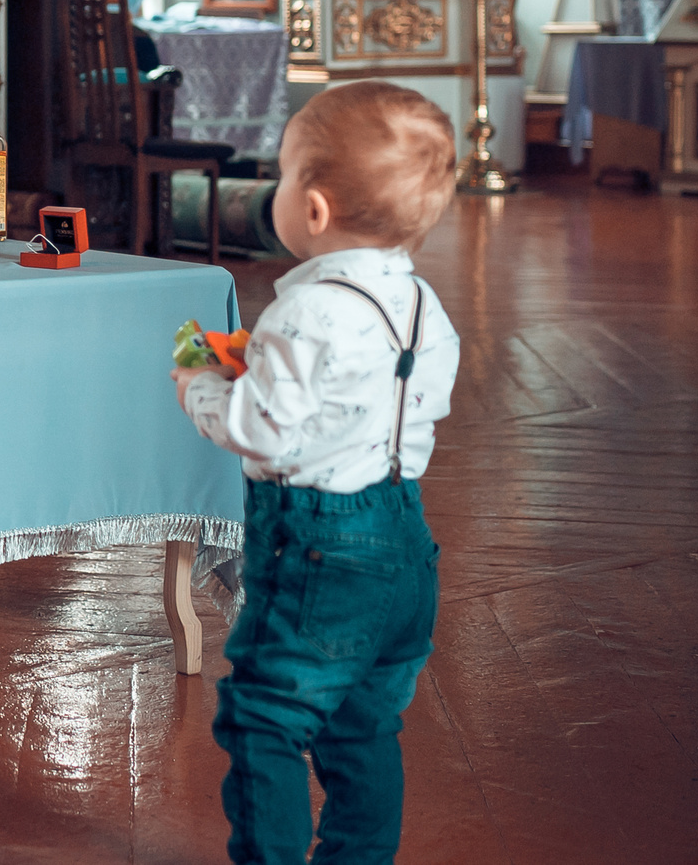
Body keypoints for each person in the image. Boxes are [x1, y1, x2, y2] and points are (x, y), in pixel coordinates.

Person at [170, 82, 462, 865]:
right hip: (403, 538)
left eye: (286, 174)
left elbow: (260, 435)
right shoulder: (424, 305)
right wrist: (256, 366)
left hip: (318, 548)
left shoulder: (300, 312)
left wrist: (198, 382)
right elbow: (376, 402)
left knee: (266, 718)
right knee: (363, 723)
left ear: (317, 209)